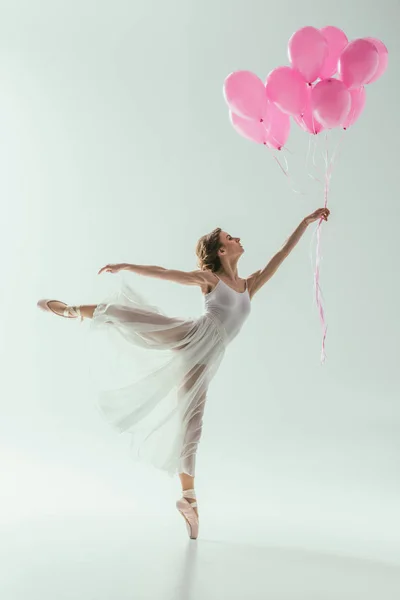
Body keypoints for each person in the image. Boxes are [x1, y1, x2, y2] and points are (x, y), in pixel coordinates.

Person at [37, 207, 330, 539]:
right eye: (229, 238)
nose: (237, 238)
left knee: (192, 424)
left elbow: (282, 254)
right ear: (221, 251)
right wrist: (127, 266)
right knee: (134, 316)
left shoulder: (250, 284)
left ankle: (188, 500)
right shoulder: (210, 280)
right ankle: (72, 311)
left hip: (205, 360)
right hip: (192, 335)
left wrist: (305, 222)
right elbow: (166, 272)